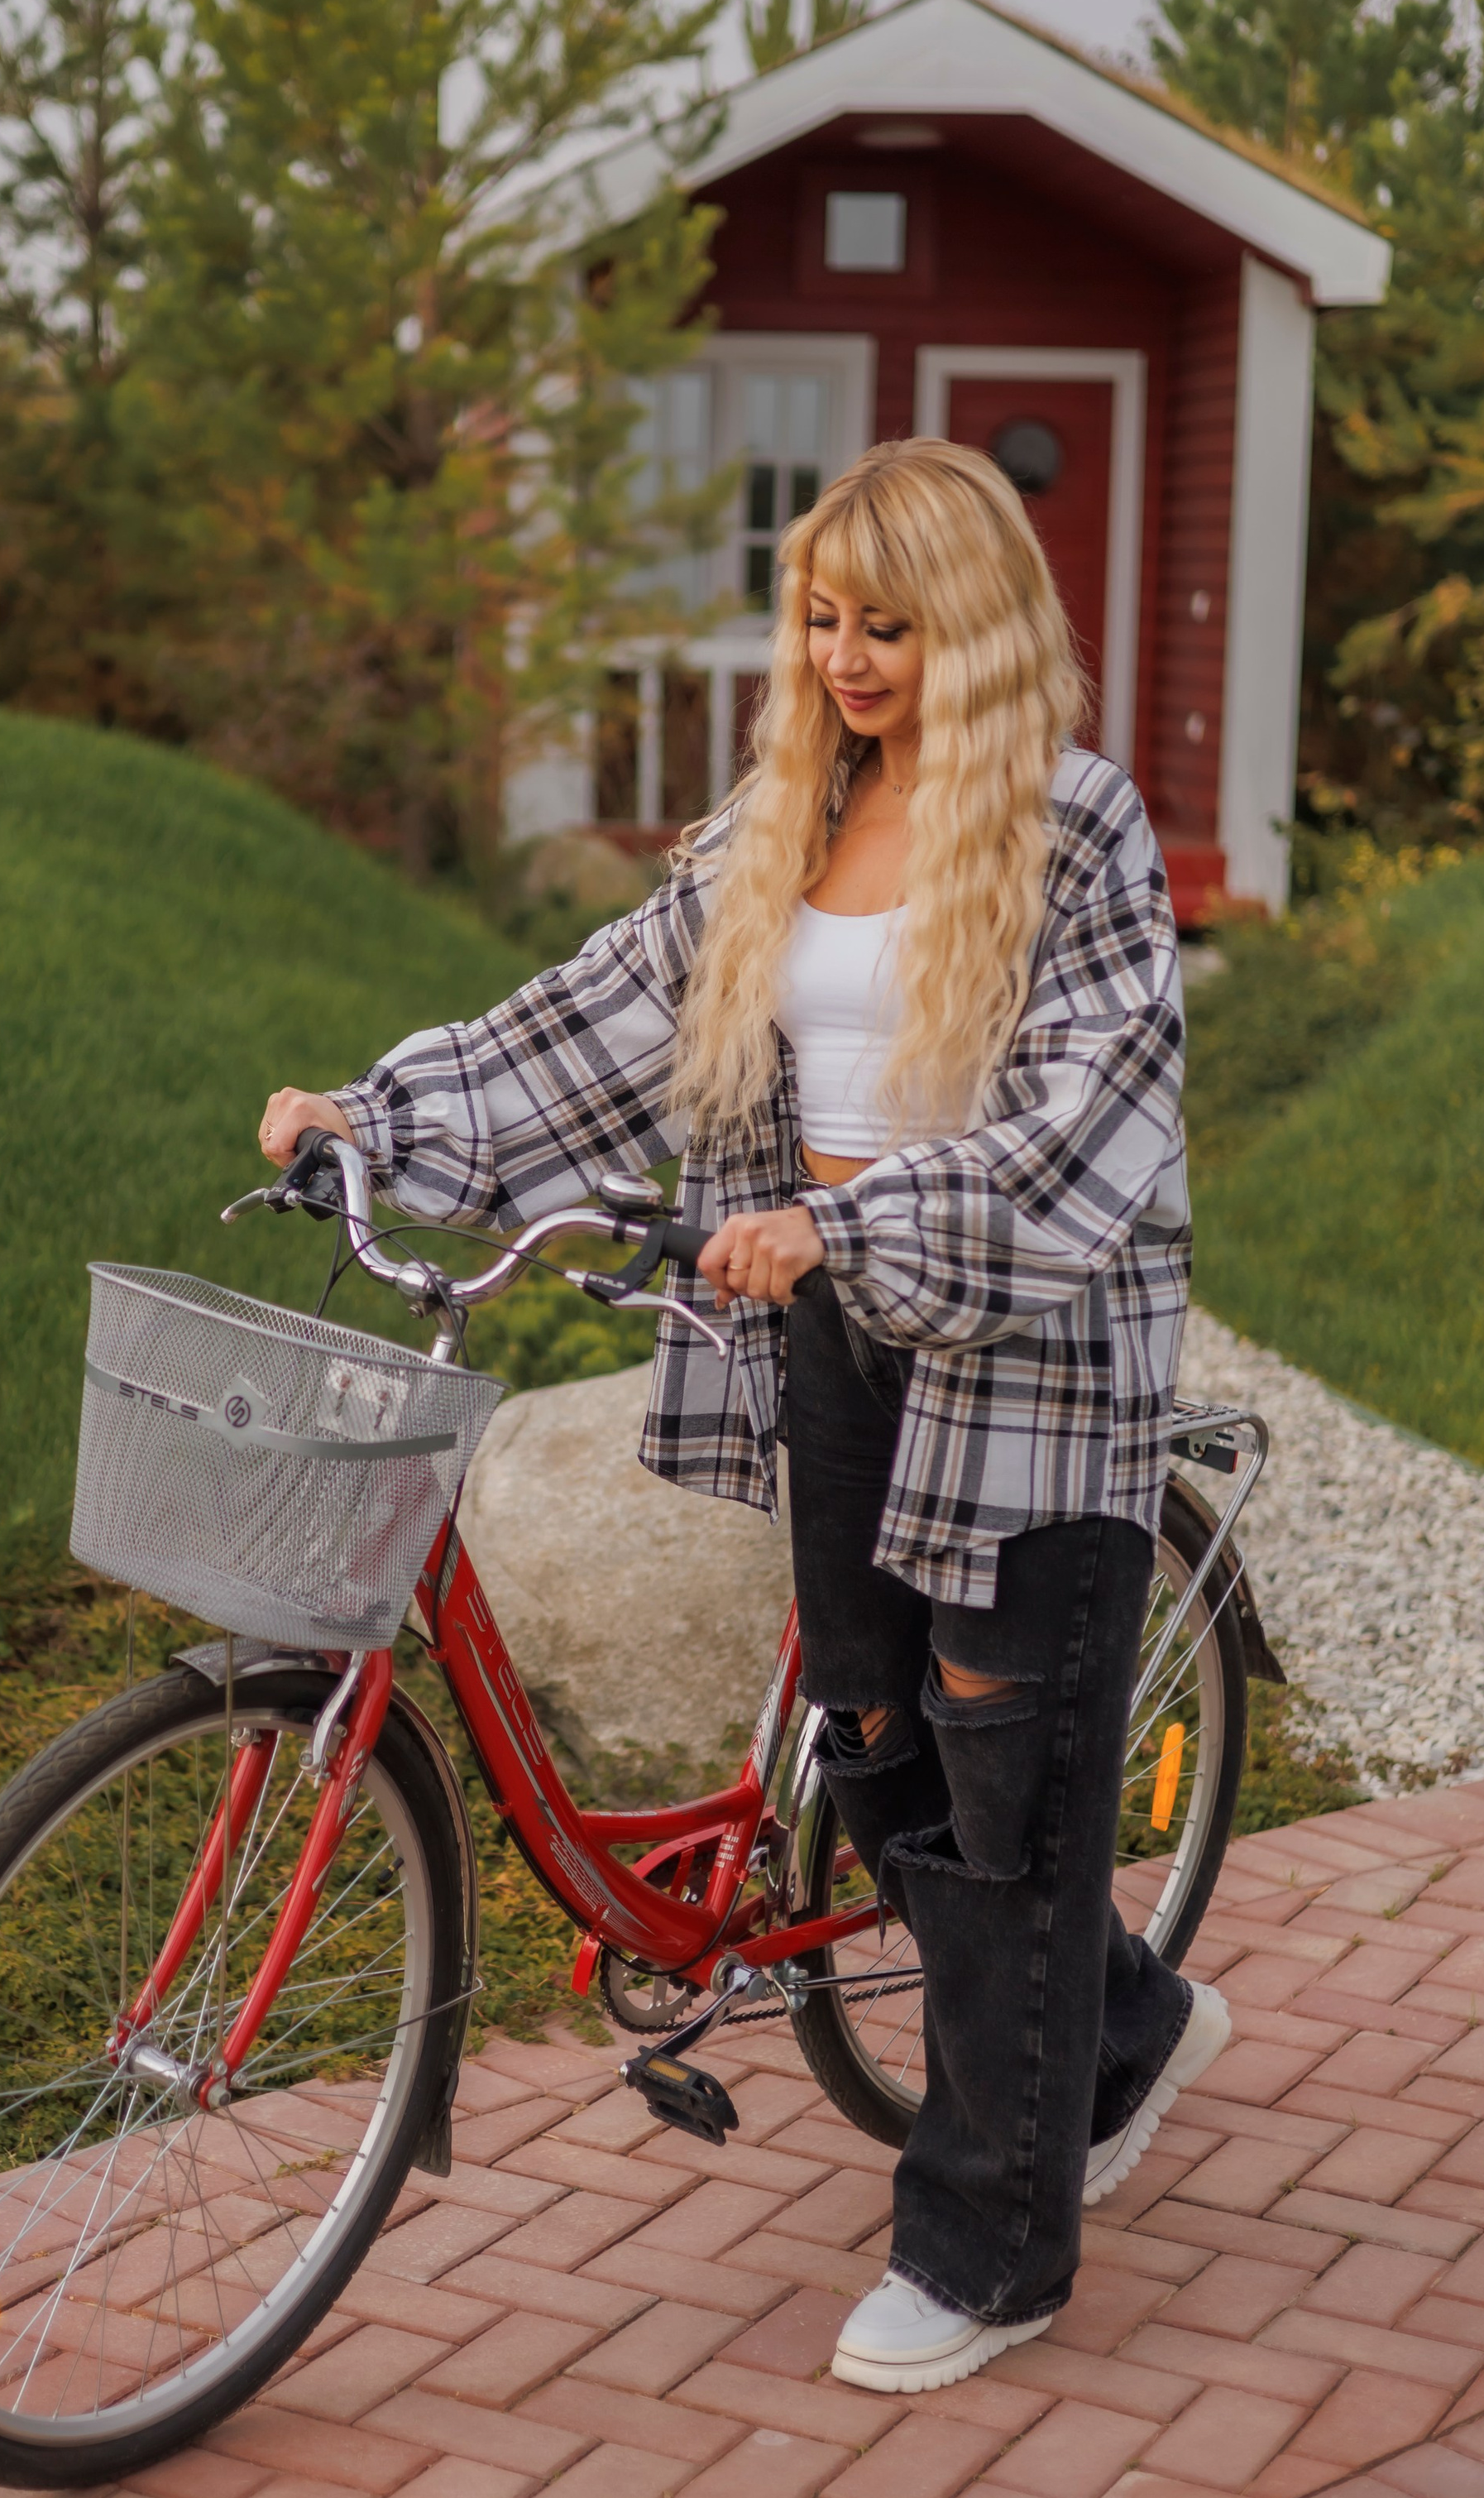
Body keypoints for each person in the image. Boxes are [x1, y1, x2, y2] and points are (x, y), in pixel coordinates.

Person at [260, 433, 1230, 2392]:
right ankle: (1111, 2033)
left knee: (1001, 1790)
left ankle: (988, 2247)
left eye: (886, 625)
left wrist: (849, 1218)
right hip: (836, 1346)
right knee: (866, 1747)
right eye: (818, 621)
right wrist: (380, 1117)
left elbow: (1079, 1126)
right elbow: (597, 1017)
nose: (846, 660)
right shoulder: (786, 815)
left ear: (974, 627)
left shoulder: (1076, 830)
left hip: (1023, 1361)